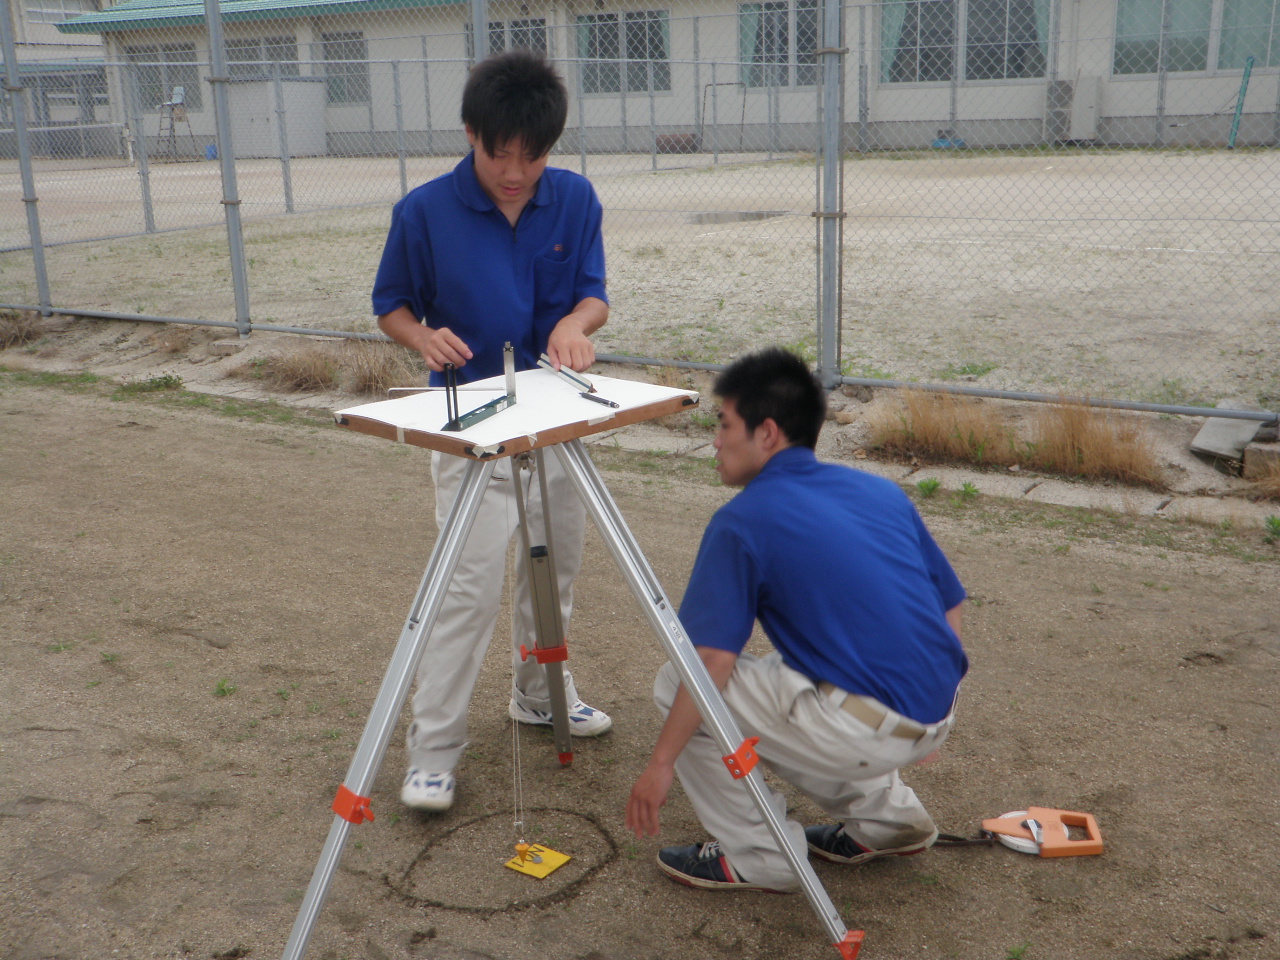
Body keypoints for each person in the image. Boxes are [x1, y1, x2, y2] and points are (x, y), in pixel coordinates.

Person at [625, 348, 968, 893]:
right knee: (791, 672)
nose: (715, 441)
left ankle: (762, 856)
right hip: (936, 712)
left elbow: (710, 661)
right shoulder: (878, 491)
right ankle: (890, 821)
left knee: (677, 682)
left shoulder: (742, 521)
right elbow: (948, 602)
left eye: (724, 424)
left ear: (766, 433)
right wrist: (925, 705)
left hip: (866, 728)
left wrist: (660, 764)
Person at [372, 50, 612, 813]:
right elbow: (391, 305)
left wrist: (575, 326)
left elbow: (593, 297)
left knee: (554, 570)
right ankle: (433, 749)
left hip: (556, 417)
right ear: (471, 133)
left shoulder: (574, 200)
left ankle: (539, 693)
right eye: (499, 153)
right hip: (469, 426)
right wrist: (421, 338)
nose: (515, 173)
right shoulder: (423, 211)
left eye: (532, 156)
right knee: (467, 588)